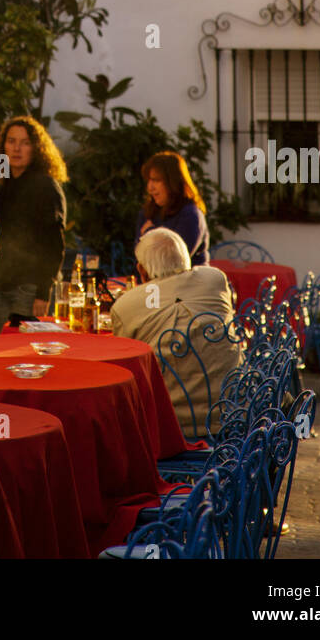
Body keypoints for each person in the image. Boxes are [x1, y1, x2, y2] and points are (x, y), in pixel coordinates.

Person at [111, 228, 241, 433]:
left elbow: (122, 368)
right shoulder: (214, 279)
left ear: (141, 270)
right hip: (233, 414)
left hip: (169, 425)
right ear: (185, 258)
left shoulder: (125, 306)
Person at [0, 116, 67, 334]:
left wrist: (43, 291)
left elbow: (54, 244)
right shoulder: (3, 181)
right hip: (2, 283)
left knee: (24, 351)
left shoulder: (44, 185)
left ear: (36, 148)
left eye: (25, 142)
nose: (16, 148)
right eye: (11, 141)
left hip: (29, 288)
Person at [135, 151, 210, 267]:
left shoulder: (190, 214)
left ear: (173, 182)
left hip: (190, 282)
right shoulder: (148, 212)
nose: (150, 187)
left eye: (156, 180)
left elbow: (175, 262)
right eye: (149, 180)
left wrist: (149, 233)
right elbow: (140, 258)